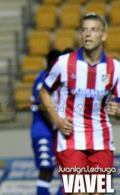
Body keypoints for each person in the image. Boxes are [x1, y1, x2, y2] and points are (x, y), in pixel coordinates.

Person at [40, 13, 120, 194]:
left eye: (93, 30)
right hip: (71, 140)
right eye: (84, 30)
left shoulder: (115, 69)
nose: (88, 34)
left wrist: (118, 110)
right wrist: (57, 120)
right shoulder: (64, 63)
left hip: (102, 141)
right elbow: (44, 92)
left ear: (104, 35)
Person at [30, 49, 61, 195]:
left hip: (52, 130)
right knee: (46, 170)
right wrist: (56, 124)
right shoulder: (43, 78)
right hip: (43, 131)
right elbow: (42, 106)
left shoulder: (53, 78)